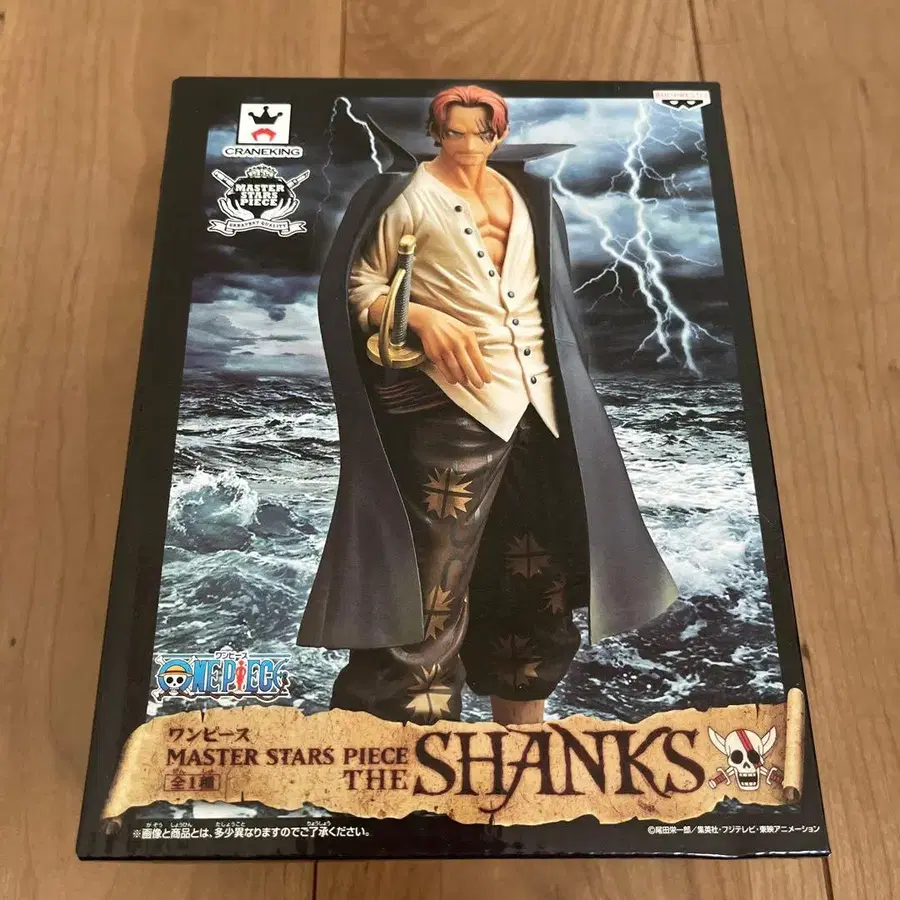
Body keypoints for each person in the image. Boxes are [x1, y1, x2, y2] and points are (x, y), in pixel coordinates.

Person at [298, 85, 677, 726]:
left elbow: (551, 302)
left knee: (535, 573)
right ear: (435, 132)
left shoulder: (531, 198)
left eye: (480, 132)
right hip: (445, 404)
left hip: (540, 405)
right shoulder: (400, 195)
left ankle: (522, 733)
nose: (466, 144)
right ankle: (402, 745)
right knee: (429, 583)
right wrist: (418, 315)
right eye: (453, 132)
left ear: (497, 135)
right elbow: (358, 285)